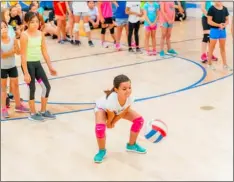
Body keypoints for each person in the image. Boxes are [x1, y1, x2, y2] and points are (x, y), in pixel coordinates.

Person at [93, 74, 146, 163]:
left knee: (139, 120)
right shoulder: (111, 100)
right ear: (116, 90)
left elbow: (124, 112)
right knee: (100, 128)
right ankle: (102, 151)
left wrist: (114, 122)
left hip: (118, 111)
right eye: (124, 89)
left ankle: (131, 145)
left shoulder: (130, 98)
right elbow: (110, 115)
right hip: (102, 109)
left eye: (129, 87)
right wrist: (110, 123)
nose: (128, 91)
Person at [20, 12, 57, 121]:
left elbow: (44, 51)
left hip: (37, 64)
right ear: (27, 23)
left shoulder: (41, 34)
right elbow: (23, 55)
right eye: (32, 22)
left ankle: (43, 111)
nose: (35, 24)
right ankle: (32, 113)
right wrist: (26, 73)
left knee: (47, 87)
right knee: (32, 88)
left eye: (37, 21)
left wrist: (50, 67)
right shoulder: (24, 35)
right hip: (28, 64)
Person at [1, 20, 29, 119]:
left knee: (16, 86)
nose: (3, 29)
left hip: (12, 66)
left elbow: (17, 52)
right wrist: (12, 51)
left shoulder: (13, 39)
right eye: (1, 28)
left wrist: (17, 47)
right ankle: (3, 109)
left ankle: (18, 106)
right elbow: (2, 55)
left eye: (4, 27)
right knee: (3, 89)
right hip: (2, 69)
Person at [207, 1, 232, 71]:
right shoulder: (211, 9)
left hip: (222, 31)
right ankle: (209, 64)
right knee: (212, 47)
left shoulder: (225, 9)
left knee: (223, 48)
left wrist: (224, 24)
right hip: (214, 31)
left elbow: (227, 20)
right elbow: (209, 21)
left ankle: (225, 65)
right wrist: (218, 25)